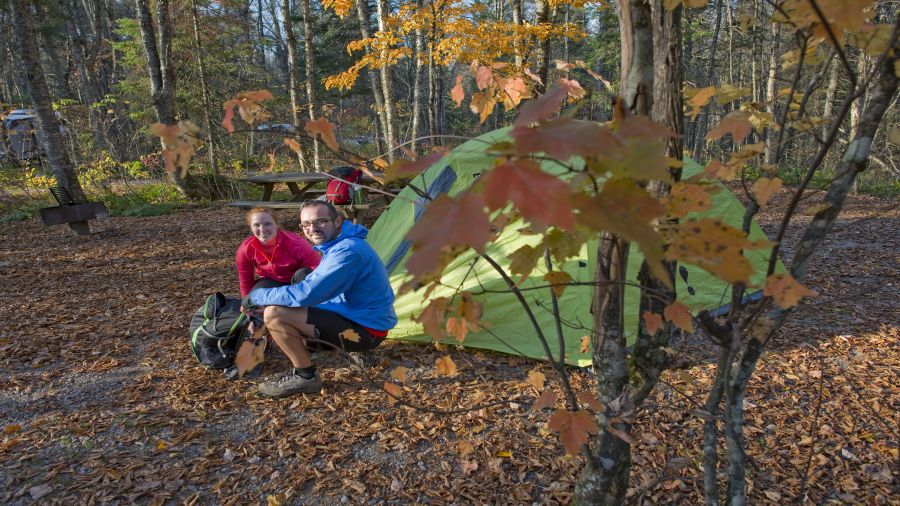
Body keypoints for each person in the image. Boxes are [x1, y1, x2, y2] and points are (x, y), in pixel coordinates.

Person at [242, 200, 397, 398]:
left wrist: (256, 297)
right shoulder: (340, 242)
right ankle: (327, 350)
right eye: (305, 224)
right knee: (303, 276)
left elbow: (304, 294)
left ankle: (306, 376)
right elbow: (312, 288)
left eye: (320, 221)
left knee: (275, 314)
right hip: (361, 316)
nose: (312, 229)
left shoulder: (347, 251)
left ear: (338, 221)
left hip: (367, 331)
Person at [235, 207, 321, 298]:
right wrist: (245, 302)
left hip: (298, 281)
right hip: (271, 281)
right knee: (252, 301)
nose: (262, 229)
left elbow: (317, 266)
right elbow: (246, 280)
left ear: (277, 225)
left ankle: (306, 307)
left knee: (303, 273)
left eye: (267, 224)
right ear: (251, 227)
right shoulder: (246, 249)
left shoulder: (296, 243)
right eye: (256, 225)